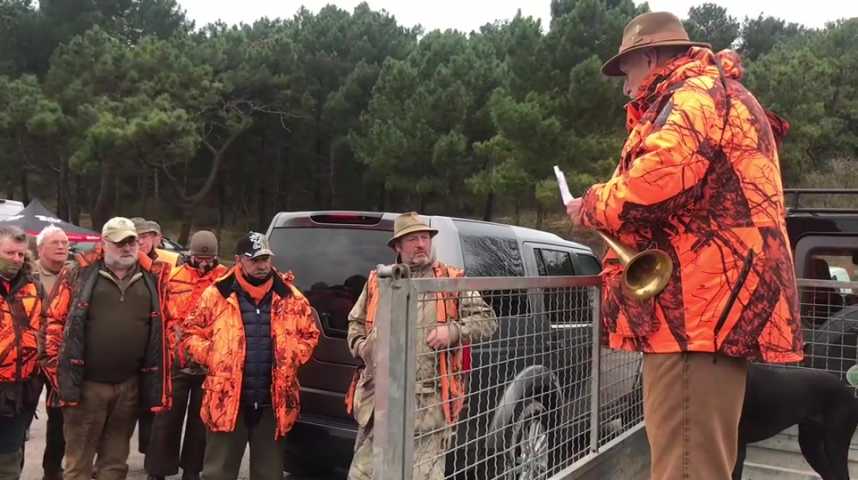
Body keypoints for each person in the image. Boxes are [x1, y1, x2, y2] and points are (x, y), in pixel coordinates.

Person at [565, 12, 802, 479]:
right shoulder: (719, 92)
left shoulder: (692, 96)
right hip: (710, 312)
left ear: (649, 56)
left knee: (686, 465)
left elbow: (655, 183)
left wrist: (590, 205)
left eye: (626, 72)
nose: (624, 87)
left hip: (695, 315)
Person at [344, 212, 497, 480]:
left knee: (422, 476)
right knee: (365, 475)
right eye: (412, 239)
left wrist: (452, 331)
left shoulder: (450, 280)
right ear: (397, 247)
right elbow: (354, 324)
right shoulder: (378, 281)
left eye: (425, 237)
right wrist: (362, 346)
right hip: (380, 399)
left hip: (428, 403)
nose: (421, 245)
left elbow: (487, 321)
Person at [41, 217, 172, 480]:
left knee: (115, 463)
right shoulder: (78, 273)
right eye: (120, 242)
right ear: (104, 243)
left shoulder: (153, 278)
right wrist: (61, 373)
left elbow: (168, 326)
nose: (127, 247)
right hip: (87, 386)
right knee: (78, 463)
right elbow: (52, 323)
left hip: (129, 386)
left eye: (131, 241)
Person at [182, 232, 320, 480]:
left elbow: (310, 334)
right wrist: (213, 355)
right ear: (238, 260)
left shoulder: (290, 296)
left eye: (265, 258)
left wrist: (291, 356)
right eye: (254, 259)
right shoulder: (217, 295)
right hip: (226, 401)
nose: (262, 265)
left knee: (269, 474)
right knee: (217, 473)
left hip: (272, 404)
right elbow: (191, 332)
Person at [144, 231, 227, 480]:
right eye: (199, 258)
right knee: (165, 420)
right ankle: (157, 471)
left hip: (208, 362)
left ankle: (192, 471)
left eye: (209, 259)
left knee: (200, 422)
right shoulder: (175, 278)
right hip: (176, 360)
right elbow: (161, 316)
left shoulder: (224, 279)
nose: (204, 263)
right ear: (189, 254)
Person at [0, 226, 43, 480]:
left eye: (20, 254)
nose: (15, 259)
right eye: (8, 253)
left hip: (20, 389)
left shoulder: (33, 287)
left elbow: (49, 329)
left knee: (9, 458)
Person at [32, 225, 70, 480]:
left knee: (60, 418)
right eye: (55, 242)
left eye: (65, 243)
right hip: (28, 358)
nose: (61, 246)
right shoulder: (27, 274)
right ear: (40, 248)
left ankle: (52, 469)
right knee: (20, 415)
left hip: (60, 356)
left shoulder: (75, 275)